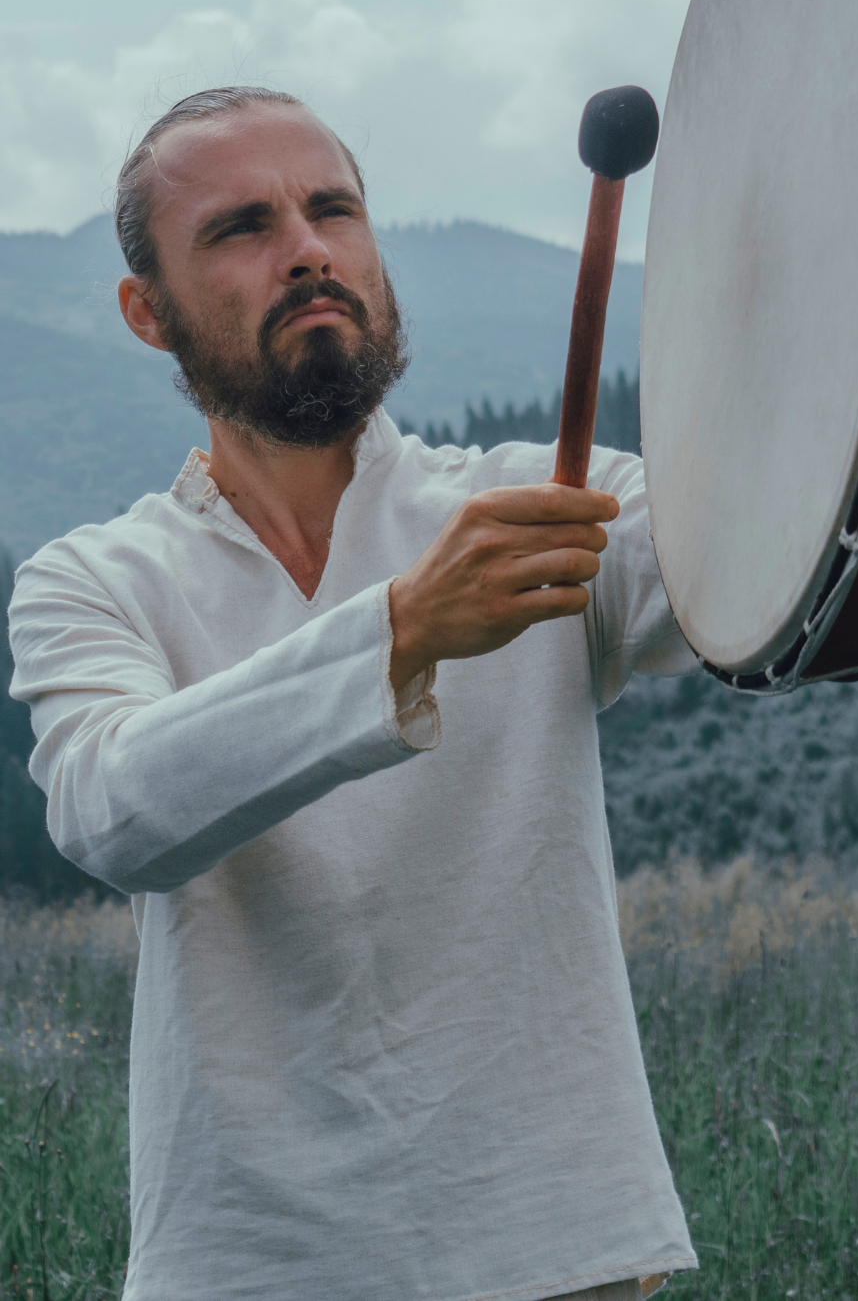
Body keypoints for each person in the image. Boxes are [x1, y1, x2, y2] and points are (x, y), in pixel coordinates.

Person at [8, 86, 698, 1301]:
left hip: (563, 1249)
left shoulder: (544, 502)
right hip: (247, 1268)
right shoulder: (94, 582)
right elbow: (113, 812)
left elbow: (761, 568)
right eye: (242, 227)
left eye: (335, 209)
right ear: (146, 312)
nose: (310, 247)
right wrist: (403, 632)